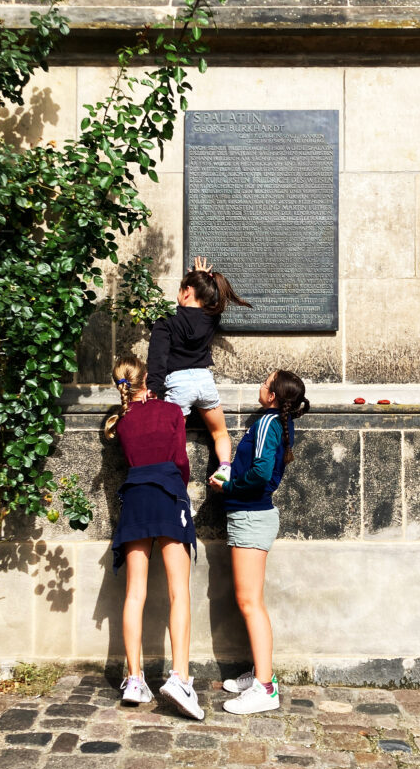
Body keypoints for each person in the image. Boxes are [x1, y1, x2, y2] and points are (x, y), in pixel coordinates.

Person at [105, 353, 204, 721]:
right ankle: (179, 677)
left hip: (134, 498)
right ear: (149, 378)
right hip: (166, 492)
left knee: (134, 593)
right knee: (180, 591)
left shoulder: (123, 420)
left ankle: (134, 679)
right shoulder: (170, 412)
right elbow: (181, 461)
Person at [208, 368, 309, 715]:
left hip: (251, 516)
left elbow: (263, 473)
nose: (261, 385)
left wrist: (228, 487)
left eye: (266, 383)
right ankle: (260, 675)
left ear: (273, 397)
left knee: (249, 602)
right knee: (251, 600)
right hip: (251, 516)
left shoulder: (268, 422)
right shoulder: (276, 421)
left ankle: (265, 688)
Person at [146, 255, 251, 484]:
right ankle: (225, 467)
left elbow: (158, 356)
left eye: (179, 288)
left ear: (187, 291)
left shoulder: (167, 319)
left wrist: (153, 386)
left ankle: (174, 480)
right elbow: (212, 301)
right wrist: (202, 277)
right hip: (204, 381)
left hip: (178, 383)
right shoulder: (211, 318)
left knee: (173, 439)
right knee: (220, 432)